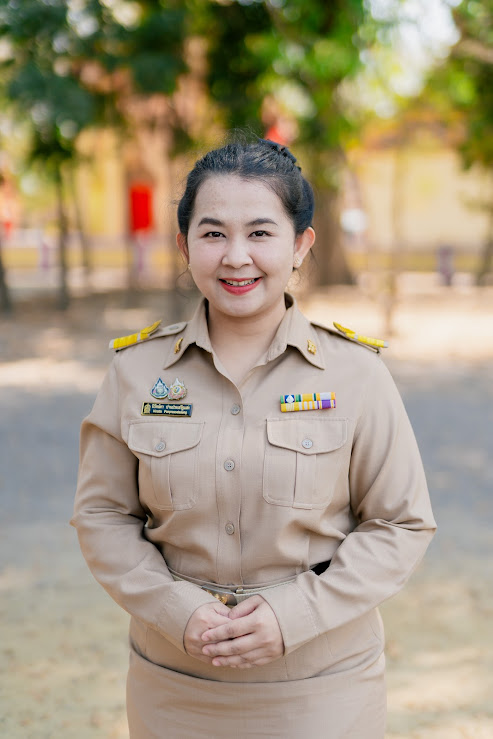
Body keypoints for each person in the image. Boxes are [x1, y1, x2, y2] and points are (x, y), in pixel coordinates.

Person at [71, 137, 436, 738]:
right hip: (176, 687)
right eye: (213, 234)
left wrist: (296, 614)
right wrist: (174, 608)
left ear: (300, 245)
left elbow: (401, 523)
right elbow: (102, 515)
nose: (236, 257)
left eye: (261, 233)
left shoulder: (356, 374)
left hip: (322, 690)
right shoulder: (136, 372)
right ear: (184, 246)